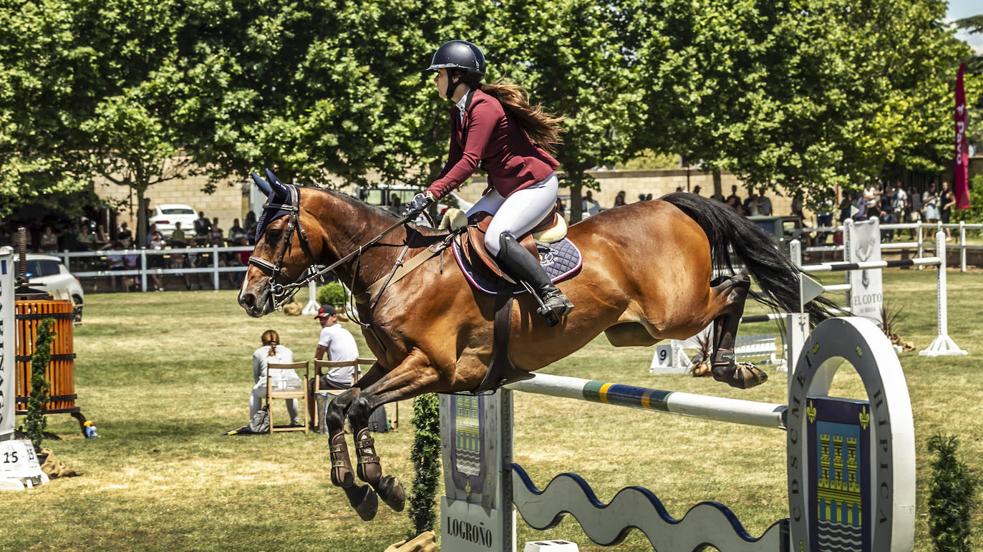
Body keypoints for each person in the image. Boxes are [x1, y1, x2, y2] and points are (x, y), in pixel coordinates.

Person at [408, 40, 572, 323]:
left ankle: (550, 293)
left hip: (535, 185)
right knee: (459, 235)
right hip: (507, 187)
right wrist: (426, 193)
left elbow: (470, 161)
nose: (436, 80)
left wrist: (434, 195)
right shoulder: (459, 111)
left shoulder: (484, 107)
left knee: (496, 239)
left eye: (439, 74)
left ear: (456, 76)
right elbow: (452, 162)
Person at [311, 305, 360, 424]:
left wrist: (317, 371)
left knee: (311, 384)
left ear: (334, 317)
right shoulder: (345, 332)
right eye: (320, 319)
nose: (321, 321)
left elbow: (318, 354)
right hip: (355, 379)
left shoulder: (327, 331)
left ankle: (315, 421)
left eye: (324, 318)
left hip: (337, 381)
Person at [250, 330, 302, 427]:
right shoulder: (288, 351)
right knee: (290, 388)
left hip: (270, 386)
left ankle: (254, 423)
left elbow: (256, 374)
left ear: (262, 341)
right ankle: (295, 420)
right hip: (291, 386)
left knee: (255, 392)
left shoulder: (258, 353)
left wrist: (259, 385)